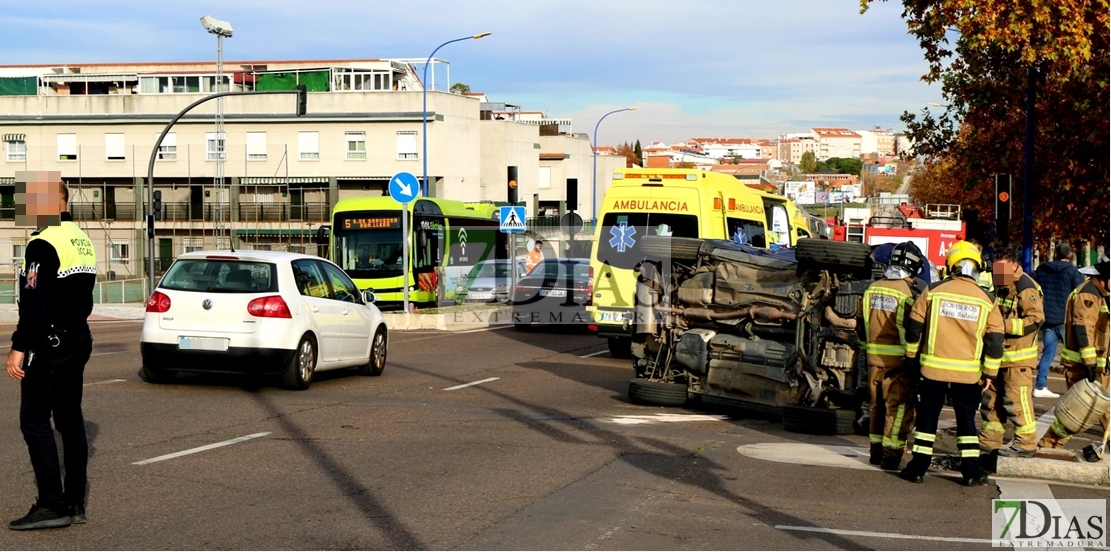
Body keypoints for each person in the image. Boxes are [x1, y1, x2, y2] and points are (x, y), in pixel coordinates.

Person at [6, 172, 97, 530]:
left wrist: (19, 346)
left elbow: (36, 300)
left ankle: (51, 504)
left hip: (51, 340)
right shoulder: (81, 237)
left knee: (33, 421)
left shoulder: (42, 243)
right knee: (70, 419)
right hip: (78, 337)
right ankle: (74, 502)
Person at [900, 240, 1004, 486]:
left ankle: (918, 468)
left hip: (932, 370)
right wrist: (989, 373)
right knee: (966, 420)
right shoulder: (987, 300)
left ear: (951, 265)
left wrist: (911, 357)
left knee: (927, 419)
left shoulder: (933, 291)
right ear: (977, 267)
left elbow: (915, 327)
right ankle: (970, 472)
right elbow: (995, 341)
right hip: (968, 375)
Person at [859, 241, 927, 470]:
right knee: (897, 410)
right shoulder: (910, 293)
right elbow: (914, 330)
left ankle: (875, 453)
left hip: (873, 360)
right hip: (899, 362)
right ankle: (891, 456)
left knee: (876, 406)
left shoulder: (872, 288)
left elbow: (861, 326)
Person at [979, 249, 1045, 458]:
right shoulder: (1002, 285)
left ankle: (1025, 444)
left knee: (1017, 403)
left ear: (1014, 266)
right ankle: (990, 442)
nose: (997, 273)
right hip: (999, 357)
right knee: (991, 402)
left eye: (1002, 269)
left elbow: (1036, 320)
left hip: (1018, 358)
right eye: (995, 268)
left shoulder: (1025, 287)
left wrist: (1002, 326)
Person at [1037, 260, 1110, 449]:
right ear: (1104, 278)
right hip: (1084, 367)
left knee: (1104, 410)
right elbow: (1083, 329)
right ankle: (1049, 444)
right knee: (1076, 413)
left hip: (1098, 365)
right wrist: (1090, 363)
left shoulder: (1100, 293)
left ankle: (1050, 443)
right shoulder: (1088, 294)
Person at [1032, 243, 1084, 398]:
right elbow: (1079, 295)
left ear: (1054, 254)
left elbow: (1032, 284)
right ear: (1070, 256)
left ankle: (1040, 386)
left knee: (1048, 352)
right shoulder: (1072, 272)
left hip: (1047, 317)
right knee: (1075, 354)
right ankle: (1080, 387)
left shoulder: (1042, 269)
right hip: (1065, 319)